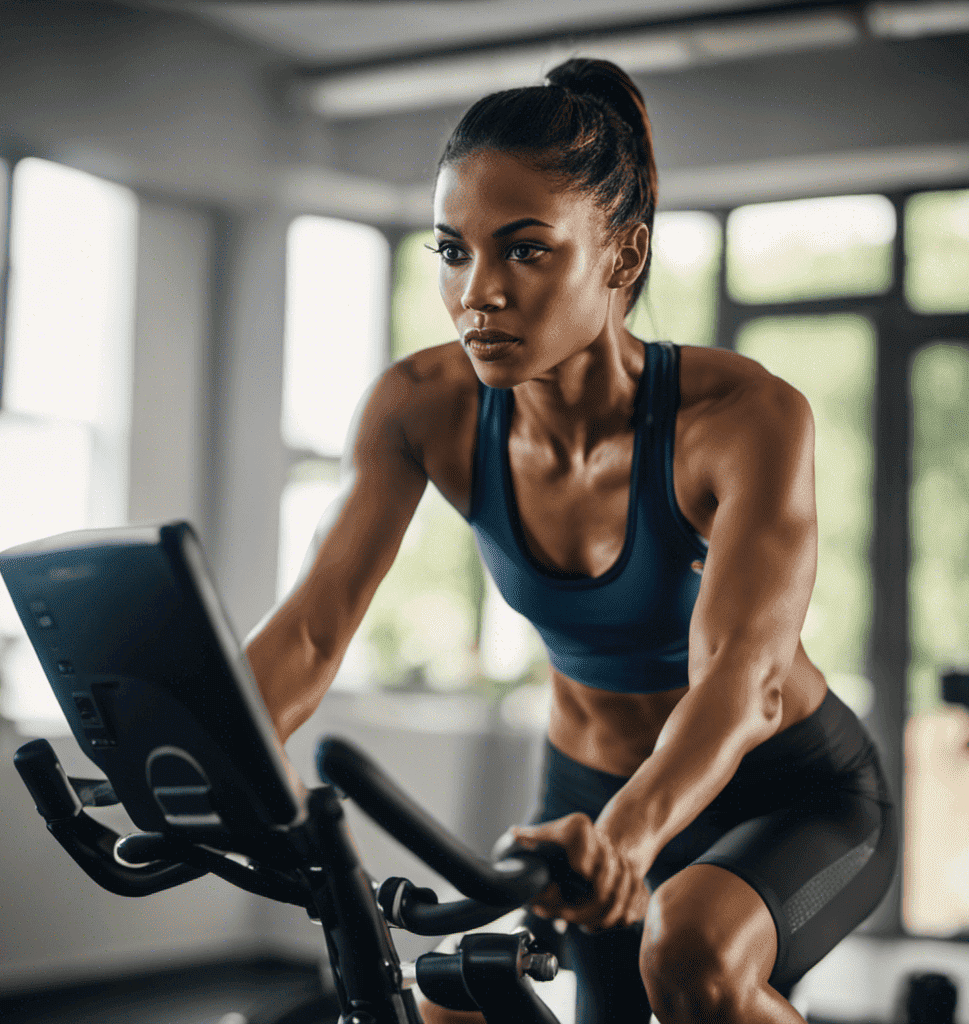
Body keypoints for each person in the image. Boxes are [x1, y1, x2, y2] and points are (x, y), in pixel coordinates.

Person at [245, 57, 896, 1024]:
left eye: (526, 250)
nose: (478, 293)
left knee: (694, 953)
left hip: (789, 792)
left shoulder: (742, 417)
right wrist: (197, 757)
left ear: (622, 258)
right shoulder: (421, 408)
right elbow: (307, 635)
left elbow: (743, 678)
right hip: (590, 794)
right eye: (452, 251)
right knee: (452, 1001)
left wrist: (631, 835)